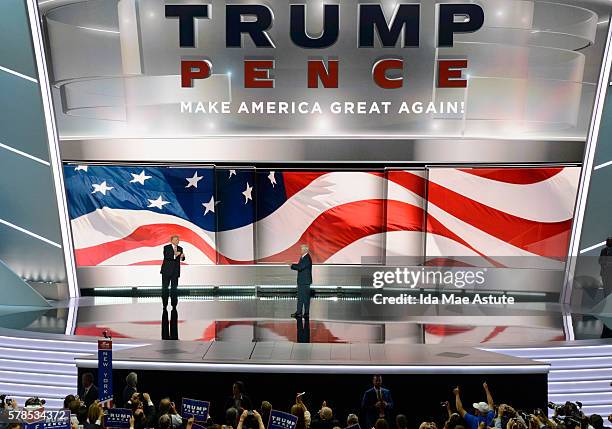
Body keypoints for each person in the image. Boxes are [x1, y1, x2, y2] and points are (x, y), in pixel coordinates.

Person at [160, 235, 186, 310]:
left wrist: (182, 256)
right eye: (175, 240)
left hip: (175, 271)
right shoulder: (166, 247)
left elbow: (182, 259)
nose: (177, 241)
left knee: (174, 288)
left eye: (178, 240)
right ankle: (164, 304)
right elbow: (167, 256)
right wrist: (175, 255)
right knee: (165, 288)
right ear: (171, 241)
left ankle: (174, 305)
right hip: (166, 271)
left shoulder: (180, 248)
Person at [291, 244, 313, 318]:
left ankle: (306, 313)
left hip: (305, 282)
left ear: (305, 250)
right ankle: (298, 312)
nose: (300, 250)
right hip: (302, 281)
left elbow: (300, 267)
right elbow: (299, 265)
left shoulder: (307, 258)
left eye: (301, 249)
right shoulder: (303, 257)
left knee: (305, 298)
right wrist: (293, 265)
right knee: (300, 297)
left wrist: (291, 265)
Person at [598, 238, 612, 338]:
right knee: (606, 291)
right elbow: (600, 261)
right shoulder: (604, 250)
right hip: (605, 274)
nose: (607, 242)